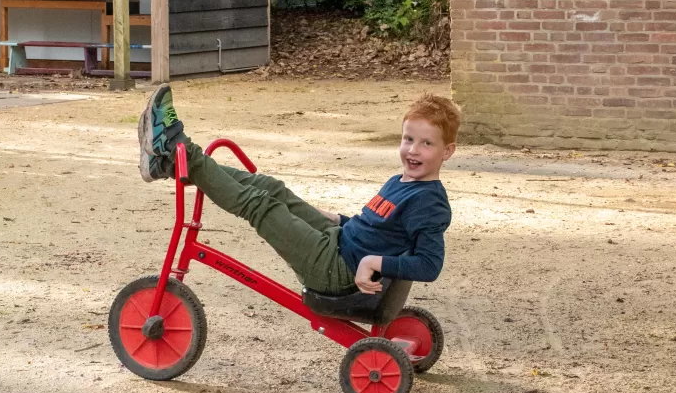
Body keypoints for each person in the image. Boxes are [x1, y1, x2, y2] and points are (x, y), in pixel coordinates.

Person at [139, 85, 459, 296]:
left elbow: (429, 265)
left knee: (261, 205)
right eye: (408, 139)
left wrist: (375, 263)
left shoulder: (429, 203)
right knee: (271, 188)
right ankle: (166, 164)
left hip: (337, 270)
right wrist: (337, 219)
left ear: (447, 151)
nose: (414, 151)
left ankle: (176, 145)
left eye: (427, 143)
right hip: (338, 241)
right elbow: (378, 228)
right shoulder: (402, 181)